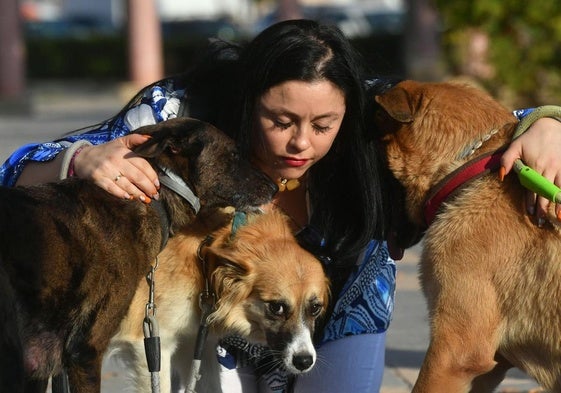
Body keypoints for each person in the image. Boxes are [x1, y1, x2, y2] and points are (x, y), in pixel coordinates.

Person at [1, 19, 561, 393]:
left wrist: (547, 122)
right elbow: (18, 167)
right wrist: (81, 160)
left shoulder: (377, 116)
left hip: (344, 303)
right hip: (219, 306)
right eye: (280, 120)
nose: (301, 144)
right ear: (247, 101)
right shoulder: (179, 114)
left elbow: (480, 124)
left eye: (323, 125)